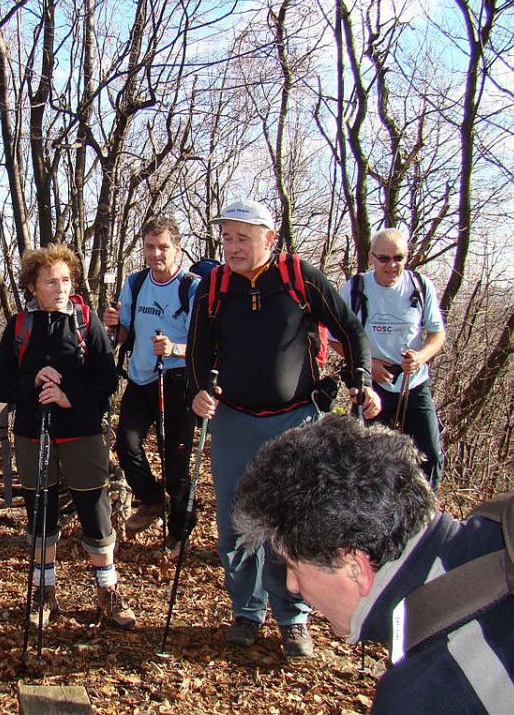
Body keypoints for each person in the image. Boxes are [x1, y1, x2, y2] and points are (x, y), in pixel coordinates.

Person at [186, 199, 380, 658]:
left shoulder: (299, 277)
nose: (232, 247)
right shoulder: (213, 286)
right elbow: (197, 349)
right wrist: (197, 390)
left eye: (242, 237)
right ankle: (246, 612)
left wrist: (361, 381)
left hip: (296, 421)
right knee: (236, 525)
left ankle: (293, 617)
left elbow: (351, 330)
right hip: (234, 419)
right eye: (227, 237)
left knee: (292, 525)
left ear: (269, 239)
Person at [233, 415, 514, 714]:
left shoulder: (423, 695)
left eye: (293, 566)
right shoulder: (502, 525)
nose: (291, 585)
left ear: (355, 568)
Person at [0, 244, 136, 629]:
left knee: (97, 513)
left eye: (66, 280)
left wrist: (70, 395)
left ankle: (108, 591)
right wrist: (33, 381)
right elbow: (0, 385)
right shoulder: (20, 325)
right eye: (50, 281)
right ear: (32, 286)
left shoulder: (87, 322)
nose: (60, 288)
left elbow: (106, 380)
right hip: (32, 435)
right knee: (41, 516)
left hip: (81, 433)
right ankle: (44, 593)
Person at [103, 216, 201, 557]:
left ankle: (179, 532)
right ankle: (152, 499)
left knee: (176, 463)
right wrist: (113, 325)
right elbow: (124, 334)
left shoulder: (192, 287)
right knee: (126, 445)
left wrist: (175, 348)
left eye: (163, 247)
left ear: (177, 249)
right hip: (142, 378)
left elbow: (205, 346)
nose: (156, 253)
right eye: (149, 247)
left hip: (177, 383)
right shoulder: (135, 282)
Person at [331, 227, 445, 491]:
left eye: (399, 257)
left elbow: (437, 335)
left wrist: (420, 357)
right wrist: (369, 364)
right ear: (371, 257)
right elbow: (334, 337)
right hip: (372, 386)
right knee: (365, 458)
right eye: (384, 258)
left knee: (429, 455)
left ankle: (426, 518)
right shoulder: (355, 288)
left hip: (413, 383)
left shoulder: (420, 286)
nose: (392, 265)